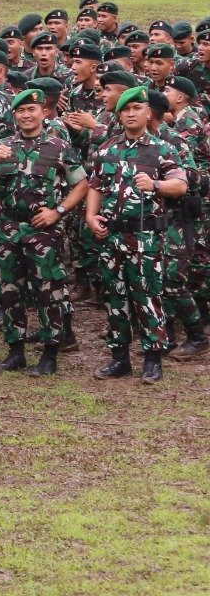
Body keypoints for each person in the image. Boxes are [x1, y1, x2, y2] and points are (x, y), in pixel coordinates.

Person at [0, 87, 87, 376]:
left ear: (44, 113)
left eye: (31, 110)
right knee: (10, 289)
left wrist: (58, 211)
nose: (26, 115)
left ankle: (50, 352)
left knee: (48, 290)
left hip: (43, 228)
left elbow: (82, 184)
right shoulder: (4, 145)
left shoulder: (58, 146)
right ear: (14, 115)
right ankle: (15, 351)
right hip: (9, 227)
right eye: (21, 111)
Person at [86, 85, 186, 384]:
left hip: (145, 239)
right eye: (125, 109)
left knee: (147, 297)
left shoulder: (162, 148)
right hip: (111, 236)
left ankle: (153, 357)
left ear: (148, 112)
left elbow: (180, 185)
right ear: (118, 114)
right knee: (115, 297)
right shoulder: (107, 150)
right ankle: (119, 358)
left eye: (136, 109)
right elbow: (95, 185)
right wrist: (91, 217)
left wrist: (155, 185)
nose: (130, 113)